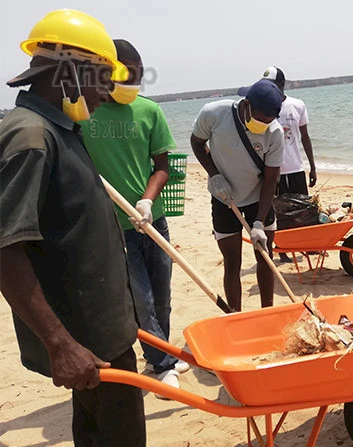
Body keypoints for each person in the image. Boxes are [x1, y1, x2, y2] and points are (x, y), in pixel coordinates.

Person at [0, 9, 146, 446]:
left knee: (94, 433)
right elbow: (6, 247)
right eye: (102, 77)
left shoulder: (59, 129)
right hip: (87, 345)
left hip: (97, 335)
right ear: (67, 72)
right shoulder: (30, 137)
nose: (108, 91)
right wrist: (61, 345)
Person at [79, 39, 189, 393]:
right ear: (106, 72)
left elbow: (162, 166)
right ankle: (163, 362)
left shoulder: (149, 111)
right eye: (127, 74)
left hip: (150, 219)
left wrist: (146, 200)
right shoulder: (83, 113)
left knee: (162, 293)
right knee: (139, 297)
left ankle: (160, 353)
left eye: (139, 76)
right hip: (113, 225)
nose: (133, 83)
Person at [190, 79, 284, 312]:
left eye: (269, 121)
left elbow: (271, 179)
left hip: (258, 197)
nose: (264, 124)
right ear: (247, 104)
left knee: (265, 257)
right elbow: (197, 141)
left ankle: (267, 312)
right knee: (232, 263)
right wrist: (214, 174)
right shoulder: (214, 113)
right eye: (261, 118)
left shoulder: (275, 132)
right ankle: (235, 316)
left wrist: (260, 222)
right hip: (224, 198)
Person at [246, 66, 317, 263]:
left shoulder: (297, 105)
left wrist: (312, 166)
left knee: (303, 209)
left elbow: (305, 137)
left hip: (294, 167)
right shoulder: (262, 108)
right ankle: (283, 249)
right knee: (277, 210)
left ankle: (309, 246)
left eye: (272, 85)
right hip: (271, 170)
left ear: (281, 85)